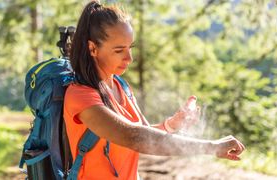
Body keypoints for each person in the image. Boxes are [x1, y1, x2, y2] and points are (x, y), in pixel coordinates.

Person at [63, 1, 245, 179]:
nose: (129, 58)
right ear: (93, 48)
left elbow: (144, 134)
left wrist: (171, 125)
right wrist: (212, 146)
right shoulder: (81, 95)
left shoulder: (120, 86)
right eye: (119, 50)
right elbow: (133, 137)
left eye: (130, 47)